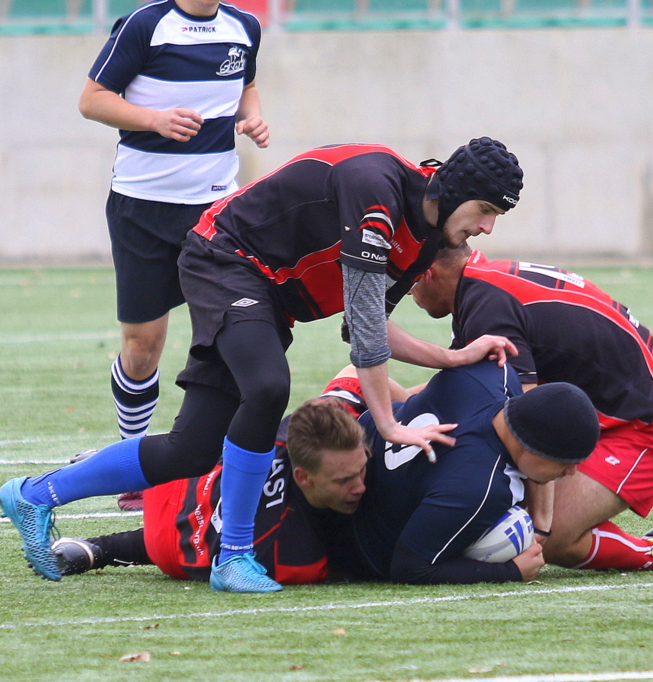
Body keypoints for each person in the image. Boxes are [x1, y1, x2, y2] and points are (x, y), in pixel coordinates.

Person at [0, 138, 524, 593]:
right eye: (485, 209)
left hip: (263, 292)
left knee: (191, 448)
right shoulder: (378, 189)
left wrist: (455, 355)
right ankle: (233, 556)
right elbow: (365, 328)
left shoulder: (424, 241)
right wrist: (388, 424)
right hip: (225, 257)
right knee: (269, 387)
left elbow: (363, 327)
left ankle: (33, 495)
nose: (487, 227)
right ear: (453, 190)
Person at [54, 361, 598, 586]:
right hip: (184, 522)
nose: (361, 487)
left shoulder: (485, 377)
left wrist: (398, 413)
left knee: (343, 389)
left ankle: (115, 479)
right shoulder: (301, 550)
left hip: (202, 472)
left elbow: (355, 378)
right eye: (344, 482)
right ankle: (106, 536)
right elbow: (408, 564)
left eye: (361, 470)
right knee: (178, 532)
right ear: (304, 478)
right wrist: (508, 573)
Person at [411, 244, 653, 572]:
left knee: (551, 538)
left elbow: (532, 426)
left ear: (428, 274)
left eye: (409, 282)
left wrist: (541, 525)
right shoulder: (482, 287)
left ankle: (648, 551)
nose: (407, 293)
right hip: (608, 408)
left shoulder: (487, 305)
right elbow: (463, 391)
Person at [79, 0, 269, 441]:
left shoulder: (245, 26)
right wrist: (154, 120)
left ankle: (214, 450)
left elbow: (248, 86)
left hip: (216, 212)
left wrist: (253, 117)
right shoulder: (144, 25)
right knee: (142, 348)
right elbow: (91, 100)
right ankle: (133, 453)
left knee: (231, 333)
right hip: (141, 208)